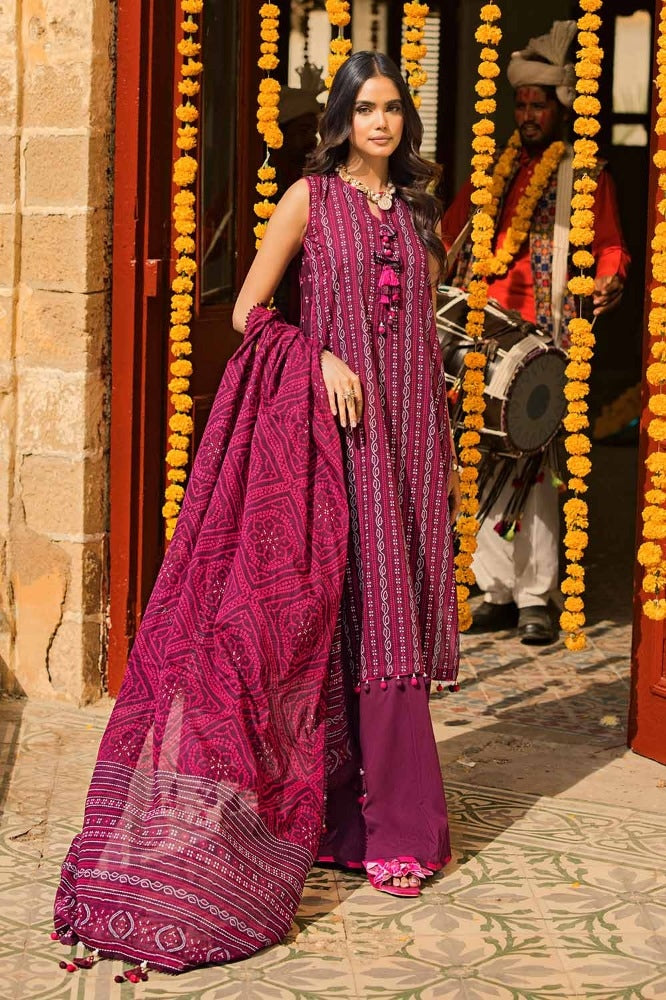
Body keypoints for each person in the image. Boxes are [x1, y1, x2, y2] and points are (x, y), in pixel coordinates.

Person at [52, 51, 460, 976]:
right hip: (332, 433)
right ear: (343, 118)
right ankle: (385, 828)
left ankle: (368, 822)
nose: (383, 123)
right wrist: (318, 359)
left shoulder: (418, 212)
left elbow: (419, 321)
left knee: (389, 612)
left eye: (394, 109)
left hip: (409, 435)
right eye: (367, 108)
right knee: (340, 617)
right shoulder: (310, 200)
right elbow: (247, 309)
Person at [442, 20, 630, 645]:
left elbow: (609, 245)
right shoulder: (491, 171)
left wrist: (609, 278)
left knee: (538, 469)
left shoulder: (585, 174)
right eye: (520, 105)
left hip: (547, 336)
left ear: (559, 110)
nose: (527, 115)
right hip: (483, 334)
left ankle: (536, 597)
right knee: (481, 459)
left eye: (537, 105)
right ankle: (494, 590)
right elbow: (448, 235)